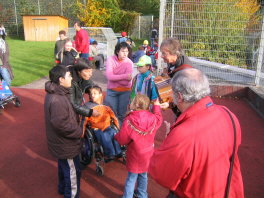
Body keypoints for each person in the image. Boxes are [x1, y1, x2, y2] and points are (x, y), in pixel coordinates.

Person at [149, 68, 244, 198]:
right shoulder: (228, 114)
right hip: (227, 190)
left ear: (180, 97)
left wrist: (168, 141)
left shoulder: (184, 133)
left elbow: (162, 175)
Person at [44, 65, 82, 198]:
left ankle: (62, 188)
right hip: (66, 144)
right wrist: (79, 131)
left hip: (61, 143)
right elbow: (60, 124)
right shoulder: (57, 99)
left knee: (64, 166)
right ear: (61, 79)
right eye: (69, 76)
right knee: (73, 172)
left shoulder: (57, 93)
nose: (71, 78)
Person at [115, 94, 163, 198]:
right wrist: (156, 106)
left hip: (135, 154)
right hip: (148, 153)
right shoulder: (153, 118)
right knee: (144, 175)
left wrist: (116, 137)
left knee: (131, 178)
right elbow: (159, 118)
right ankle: (142, 195)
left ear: (136, 104)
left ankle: (128, 196)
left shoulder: (129, 120)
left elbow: (123, 139)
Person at [83, 85, 122, 161]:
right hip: (95, 128)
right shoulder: (87, 106)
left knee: (113, 133)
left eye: (95, 93)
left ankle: (118, 151)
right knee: (104, 135)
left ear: (101, 94)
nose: (92, 95)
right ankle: (109, 154)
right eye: (91, 94)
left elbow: (113, 115)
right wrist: (82, 133)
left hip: (106, 125)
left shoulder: (106, 104)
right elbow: (84, 120)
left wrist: (117, 126)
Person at [105, 42, 133, 126]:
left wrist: (114, 77)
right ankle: (111, 132)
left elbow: (126, 82)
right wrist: (124, 76)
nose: (125, 54)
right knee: (110, 113)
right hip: (112, 91)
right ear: (117, 51)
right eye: (123, 51)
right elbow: (109, 76)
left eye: (127, 52)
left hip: (125, 91)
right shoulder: (110, 59)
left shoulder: (129, 63)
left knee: (122, 114)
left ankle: (120, 134)